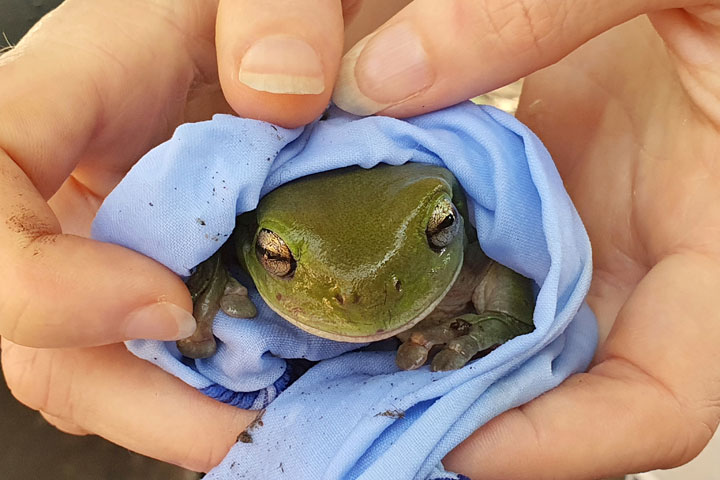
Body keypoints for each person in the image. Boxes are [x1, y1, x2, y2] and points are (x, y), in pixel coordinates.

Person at [1, 0, 719, 478]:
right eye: (277, 256)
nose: (365, 293)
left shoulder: (480, 247)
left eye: (438, 231)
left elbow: (514, 291)